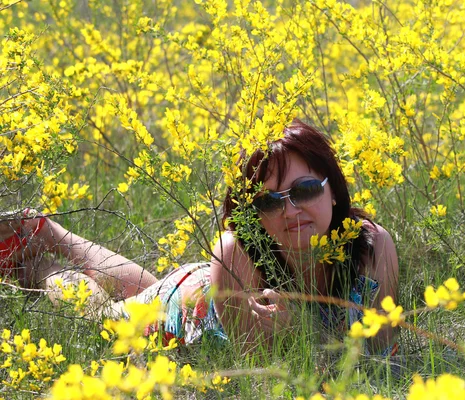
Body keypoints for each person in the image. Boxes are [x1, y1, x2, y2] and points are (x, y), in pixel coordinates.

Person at [0, 119, 399, 355]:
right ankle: (42, 265)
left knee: (143, 292)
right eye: (268, 202)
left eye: (305, 190)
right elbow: (256, 368)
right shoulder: (235, 251)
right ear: (252, 214)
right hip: (190, 307)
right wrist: (303, 336)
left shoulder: (373, 246)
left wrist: (306, 332)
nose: (290, 210)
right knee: (110, 316)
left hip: (199, 286)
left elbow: (381, 353)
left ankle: (47, 232)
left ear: (333, 189)